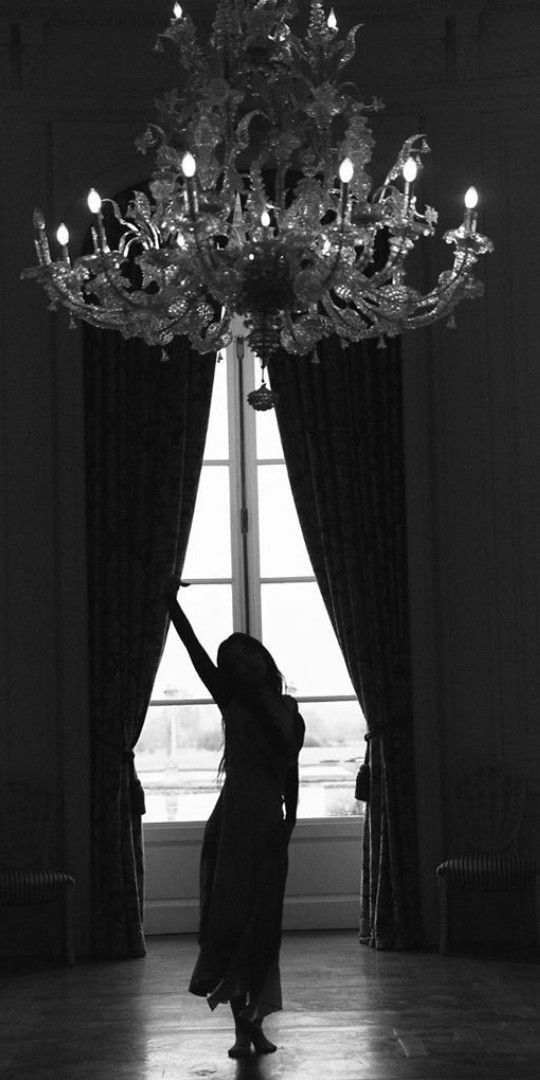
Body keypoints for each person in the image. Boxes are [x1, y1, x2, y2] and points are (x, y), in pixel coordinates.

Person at [160, 574, 305, 1059]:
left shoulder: (289, 710)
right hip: (235, 823)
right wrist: (171, 606)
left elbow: (291, 775)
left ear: (264, 660)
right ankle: (242, 1033)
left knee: (264, 927)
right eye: (232, 661)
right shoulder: (233, 702)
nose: (241, 663)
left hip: (268, 824)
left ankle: (254, 1024)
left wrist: (289, 824)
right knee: (233, 924)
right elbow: (197, 653)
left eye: (247, 654)